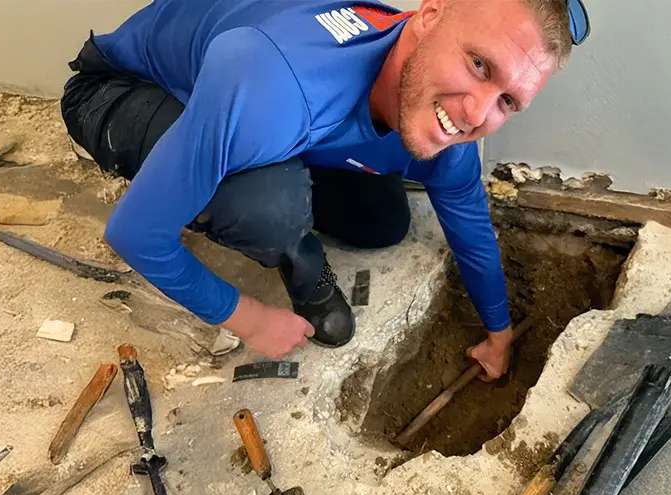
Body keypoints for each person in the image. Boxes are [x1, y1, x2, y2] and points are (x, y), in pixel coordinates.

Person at [60, 0, 589, 381]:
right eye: (478, 64)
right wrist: (246, 317)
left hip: (257, 100)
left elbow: (471, 230)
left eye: (507, 102)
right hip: (121, 87)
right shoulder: (275, 87)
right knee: (266, 207)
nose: (476, 112)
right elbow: (135, 233)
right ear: (428, 16)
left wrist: (499, 335)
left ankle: (234, 159)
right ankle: (294, 261)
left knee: (383, 222)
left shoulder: (444, 125)